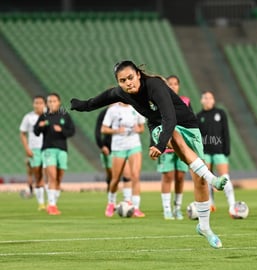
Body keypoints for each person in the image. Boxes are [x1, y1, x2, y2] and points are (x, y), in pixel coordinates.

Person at [70, 60, 227, 249]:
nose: (128, 83)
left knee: (198, 180)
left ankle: (204, 227)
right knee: (177, 140)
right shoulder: (120, 93)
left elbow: (171, 117)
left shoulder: (155, 85)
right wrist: (79, 105)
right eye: (122, 80)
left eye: (130, 77)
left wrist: (160, 146)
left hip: (187, 125)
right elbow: (94, 102)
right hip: (160, 127)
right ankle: (213, 179)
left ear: (138, 74)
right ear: (118, 83)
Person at [101, 102, 146, 217]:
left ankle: (136, 207)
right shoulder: (112, 110)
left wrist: (138, 129)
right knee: (115, 179)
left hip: (134, 145)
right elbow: (104, 129)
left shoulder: (137, 107)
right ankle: (111, 202)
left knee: (135, 176)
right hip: (118, 147)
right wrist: (116, 131)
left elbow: (142, 128)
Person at [34, 93, 75, 215]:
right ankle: (51, 205)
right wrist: (40, 126)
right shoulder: (43, 116)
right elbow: (36, 131)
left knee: (59, 178)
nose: (52, 103)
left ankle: (53, 203)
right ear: (47, 103)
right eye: (50, 101)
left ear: (59, 102)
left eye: (54, 101)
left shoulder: (65, 116)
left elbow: (72, 131)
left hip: (62, 149)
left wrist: (61, 130)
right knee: (52, 176)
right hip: (48, 149)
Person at [197, 91, 237, 217]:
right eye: (205, 98)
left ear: (213, 100)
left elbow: (226, 131)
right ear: (201, 101)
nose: (208, 100)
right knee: (207, 178)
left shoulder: (220, 113)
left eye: (210, 98)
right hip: (205, 152)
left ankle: (232, 205)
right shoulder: (199, 116)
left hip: (219, 150)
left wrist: (227, 148)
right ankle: (210, 204)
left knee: (225, 177)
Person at [158, 75, 191, 220]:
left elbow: (191, 122)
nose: (172, 86)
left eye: (175, 84)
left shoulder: (185, 102)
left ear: (178, 86)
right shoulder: (160, 102)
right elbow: (154, 123)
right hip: (167, 144)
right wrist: (155, 144)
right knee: (168, 176)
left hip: (182, 145)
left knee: (180, 177)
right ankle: (166, 209)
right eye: (169, 84)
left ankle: (177, 208)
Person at [19, 95, 46, 209]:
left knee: (49, 175)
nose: (38, 105)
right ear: (33, 104)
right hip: (34, 149)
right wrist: (27, 149)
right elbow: (22, 133)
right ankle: (41, 203)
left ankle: (51, 202)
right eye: (36, 103)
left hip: (48, 148)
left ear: (44, 104)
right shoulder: (28, 117)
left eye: (40, 103)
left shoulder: (49, 115)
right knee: (38, 175)